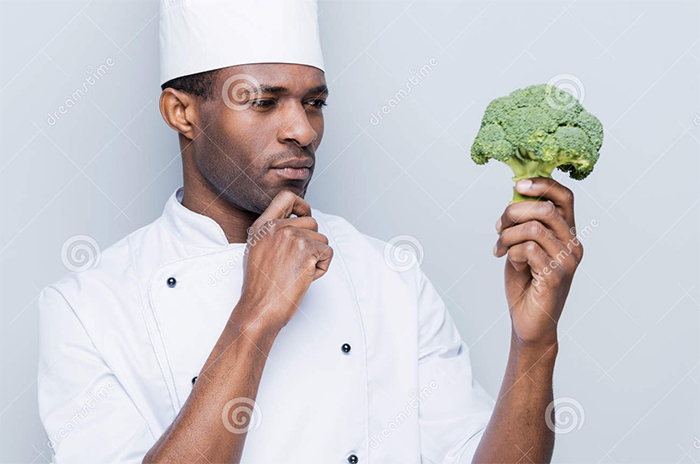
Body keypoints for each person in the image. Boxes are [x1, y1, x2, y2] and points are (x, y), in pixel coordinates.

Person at [37, 1, 583, 463]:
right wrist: (254, 318)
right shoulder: (88, 307)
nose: (302, 130)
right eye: (263, 101)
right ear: (182, 112)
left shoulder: (389, 275)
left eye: (314, 103)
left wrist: (534, 342)